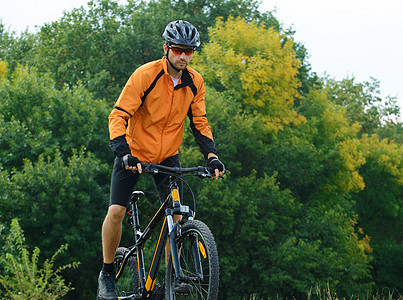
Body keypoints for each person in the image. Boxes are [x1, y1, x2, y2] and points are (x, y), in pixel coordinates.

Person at [97, 20, 225, 300]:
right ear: (166, 48)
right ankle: (107, 273)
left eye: (189, 51)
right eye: (179, 49)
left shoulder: (195, 82)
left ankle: (169, 278)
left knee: (177, 216)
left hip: (167, 155)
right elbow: (118, 115)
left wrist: (212, 155)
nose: (184, 56)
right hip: (133, 152)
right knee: (116, 211)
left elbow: (199, 121)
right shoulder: (146, 75)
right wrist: (123, 152)